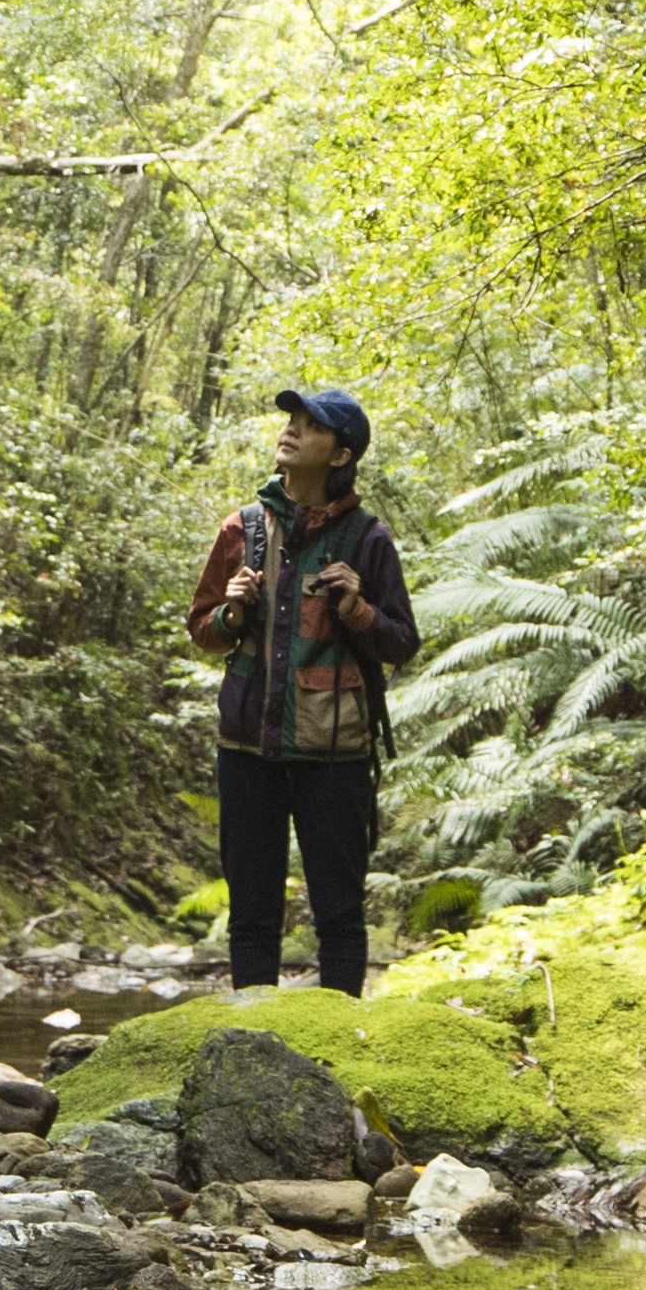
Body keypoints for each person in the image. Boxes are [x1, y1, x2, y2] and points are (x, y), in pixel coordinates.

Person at [185, 385, 417, 994]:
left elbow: (401, 644)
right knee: (251, 914)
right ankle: (249, 1045)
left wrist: (358, 610)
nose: (290, 431)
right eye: (290, 420)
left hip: (335, 755)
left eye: (310, 427)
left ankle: (339, 1048)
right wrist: (231, 615)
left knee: (339, 913)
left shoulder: (368, 540)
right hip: (246, 751)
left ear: (340, 455)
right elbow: (201, 631)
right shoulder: (241, 528)